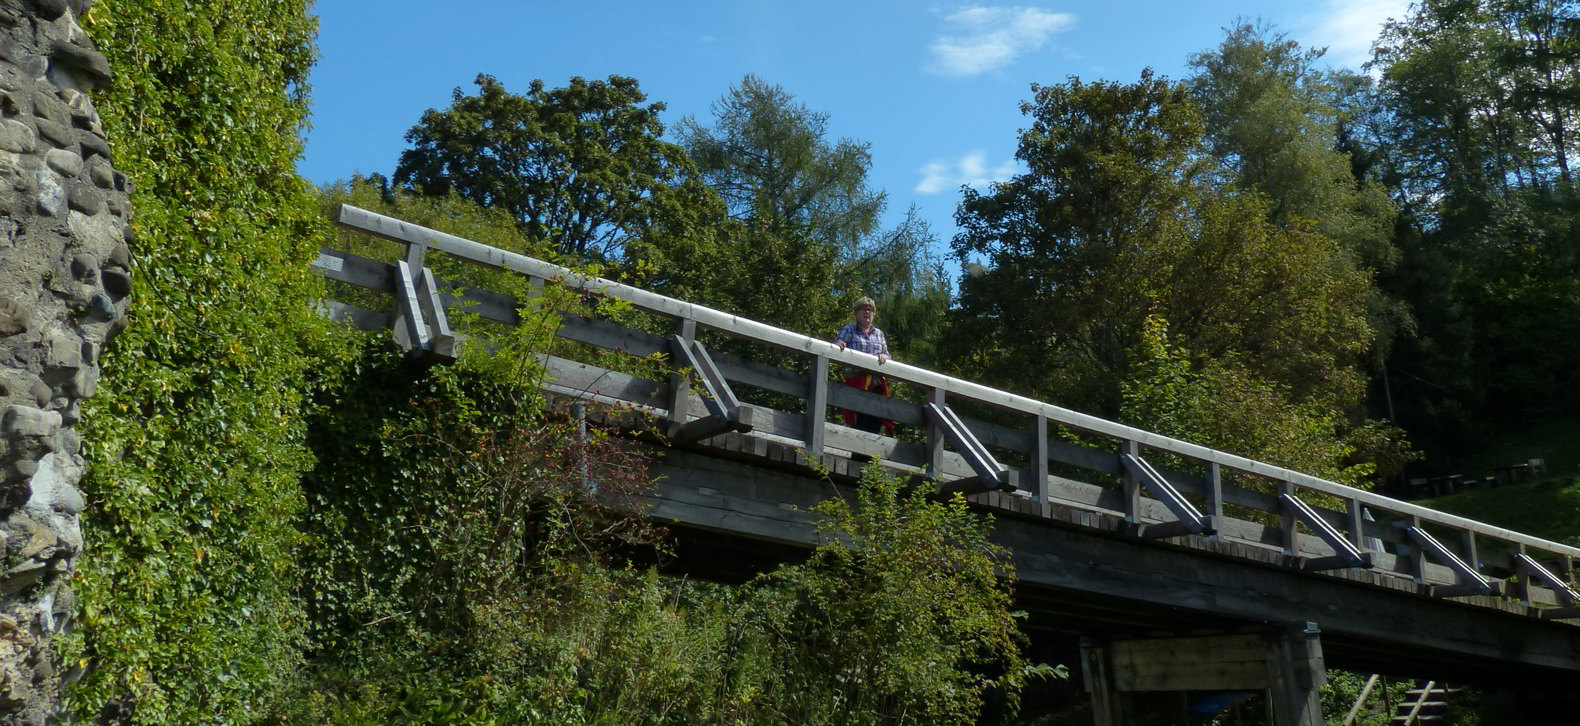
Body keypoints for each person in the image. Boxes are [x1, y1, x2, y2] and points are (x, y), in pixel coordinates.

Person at [833, 297, 894, 435]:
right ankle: (857, 456)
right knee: (858, 423)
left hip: (876, 386)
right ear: (856, 313)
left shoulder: (879, 334)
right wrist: (841, 344)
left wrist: (885, 357)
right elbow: (839, 342)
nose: (867, 312)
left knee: (874, 423)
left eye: (870, 309)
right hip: (856, 384)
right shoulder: (850, 329)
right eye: (863, 309)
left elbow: (887, 355)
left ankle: (871, 456)